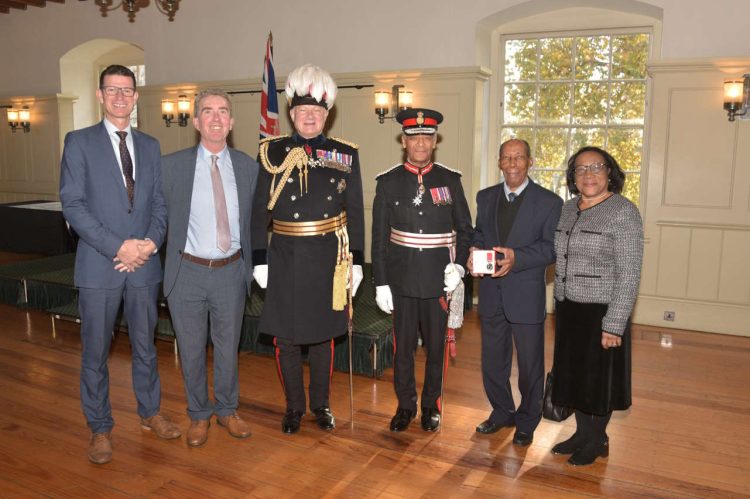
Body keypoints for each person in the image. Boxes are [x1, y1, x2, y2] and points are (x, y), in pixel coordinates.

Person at [60, 64, 179, 465]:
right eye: (112, 89)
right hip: (99, 265)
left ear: (135, 96)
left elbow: (159, 205)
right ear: (100, 95)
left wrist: (148, 244)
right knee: (95, 353)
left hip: (144, 266)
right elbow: (73, 205)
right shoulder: (78, 142)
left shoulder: (149, 145)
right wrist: (118, 248)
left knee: (146, 348)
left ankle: (150, 413)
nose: (120, 96)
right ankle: (100, 427)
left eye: (126, 90)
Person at [251, 64, 365, 434]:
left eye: (316, 111)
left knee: (323, 339)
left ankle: (321, 405)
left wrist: (358, 262)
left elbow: (356, 211)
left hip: (329, 258)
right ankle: (294, 408)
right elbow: (256, 210)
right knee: (285, 339)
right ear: (292, 113)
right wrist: (258, 259)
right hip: (284, 257)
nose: (310, 116)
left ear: (327, 115)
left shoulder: (345, 154)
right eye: (303, 111)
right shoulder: (272, 151)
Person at [161, 89, 259, 447]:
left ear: (231, 122)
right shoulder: (171, 166)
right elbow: (156, 218)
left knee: (227, 345)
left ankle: (227, 409)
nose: (216, 118)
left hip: (231, 272)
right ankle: (199, 414)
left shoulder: (249, 167)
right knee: (190, 348)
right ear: (197, 121)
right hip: (186, 272)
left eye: (223, 112)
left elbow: (257, 223)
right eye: (208, 111)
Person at [371, 108, 473, 433]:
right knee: (402, 350)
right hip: (401, 281)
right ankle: (405, 405)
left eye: (426, 137)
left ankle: (431, 405)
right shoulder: (387, 183)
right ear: (404, 140)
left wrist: (459, 266)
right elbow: (378, 239)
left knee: (436, 349)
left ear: (434, 142)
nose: (420, 143)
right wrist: (381, 283)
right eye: (413, 137)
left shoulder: (449, 180)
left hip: (437, 281)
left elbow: (467, 230)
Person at [550, 146, 643, 466]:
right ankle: (581, 432)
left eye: (596, 167)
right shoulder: (566, 208)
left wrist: (614, 323)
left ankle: (597, 438)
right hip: (568, 306)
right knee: (574, 374)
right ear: (573, 177)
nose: (588, 175)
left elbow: (629, 272)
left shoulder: (623, 212)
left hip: (601, 310)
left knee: (598, 379)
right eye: (580, 169)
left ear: (609, 173)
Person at [468, 138, 562, 447]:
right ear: (498, 162)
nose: (512, 163)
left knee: (531, 365)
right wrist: (473, 251)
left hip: (525, 295)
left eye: (519, 157)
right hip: (492, 294)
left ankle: (527, 420)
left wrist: (517, 258)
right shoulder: (485, 197)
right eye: (506, 158)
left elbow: (551, 248)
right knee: (493, 361)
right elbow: (480, 233)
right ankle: (501, 412)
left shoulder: (549, 202)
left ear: (529, 162)